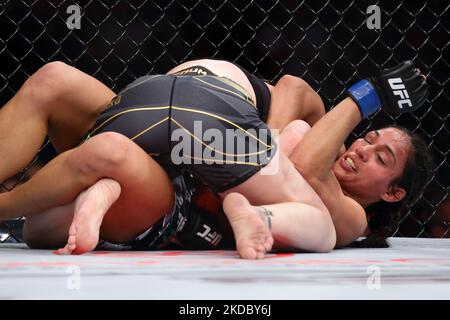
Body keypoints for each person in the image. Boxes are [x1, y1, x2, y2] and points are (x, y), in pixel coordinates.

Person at [0, 59, 430, 258]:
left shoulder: (351, 217)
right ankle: (94, 186)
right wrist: (263, 138)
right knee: (53, 81)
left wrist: (363, 98)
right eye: (368, 139)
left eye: (380, 157)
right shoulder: (324, 143)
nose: (360, 150)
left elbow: (299, 166)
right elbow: (295, 87)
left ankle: (91, 188)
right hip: (188, 128)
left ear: (393, 192)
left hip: (170, 152)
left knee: (57, 212)